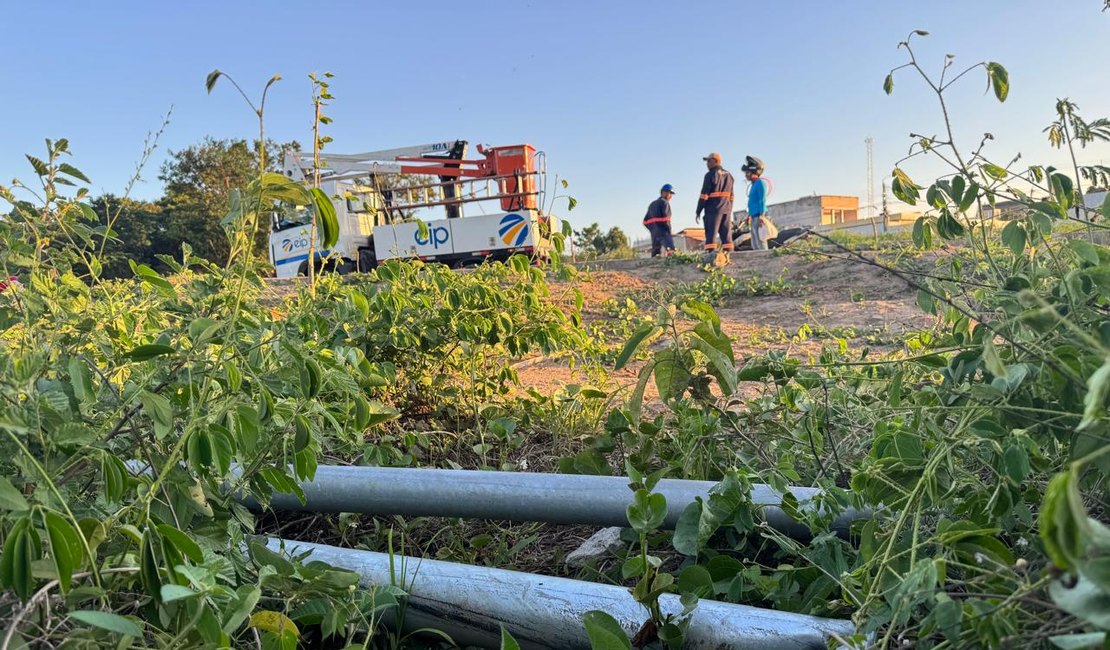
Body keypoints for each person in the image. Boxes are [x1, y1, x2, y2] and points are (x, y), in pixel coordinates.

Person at [695, 152, 735, 266]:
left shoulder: (710, 175)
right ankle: (728, 256)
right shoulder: (729, 175)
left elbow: (704, 195)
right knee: (726, 235)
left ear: (715, 161)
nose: (707, 164)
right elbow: (732, 196)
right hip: (726, 209)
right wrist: (729, 208)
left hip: (713, 209)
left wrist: (698, 210)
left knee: (711, 234)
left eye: (708, 161)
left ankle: (710, 258)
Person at [742, 156, 772, 250]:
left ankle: (765, 257)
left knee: (761, 239)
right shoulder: (753, 185)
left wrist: (762, 216)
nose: (746, 175)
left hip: (759, 216)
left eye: (748, 172)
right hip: (754, 216)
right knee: (754, 241)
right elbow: (752, 203)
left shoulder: (760, 183)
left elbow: (762, 200)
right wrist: (749, 215)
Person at [643, 183, 676, 257]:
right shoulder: (665, 203)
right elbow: (667, 220)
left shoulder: (652, 204)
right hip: (664, 232)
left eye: (671, 194)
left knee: (655, 254)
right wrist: (669, 232)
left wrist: (652, 229)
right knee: (671, 251)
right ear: (663, 192)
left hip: (654, 233)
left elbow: (645, 221)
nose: (670, 196)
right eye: (669, 193)